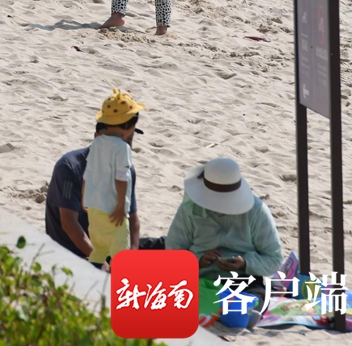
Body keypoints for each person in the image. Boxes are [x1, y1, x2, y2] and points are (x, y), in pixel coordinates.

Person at [166, 157, 283, 285]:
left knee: (252, 298)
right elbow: (173, 254)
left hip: (244, 280)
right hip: (198, 278)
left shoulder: (256, 211)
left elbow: (274, 259)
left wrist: (245, 263)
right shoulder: (189, 208)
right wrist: (198, 260)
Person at [46, 120, 149, 262]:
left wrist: (132, 253)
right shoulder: (70, 167)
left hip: (113, 245)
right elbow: (68, 223)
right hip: (74, 253)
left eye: (128, 141)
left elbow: (133, 218)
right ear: (97, 138)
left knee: (165, 246)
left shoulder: (126, 170)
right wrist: (101, 262)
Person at [82, 89, 145, 268]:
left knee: (99, 249)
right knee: (120, 251)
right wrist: (121, 205)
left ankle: (93, 272)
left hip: (94, 207)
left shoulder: (96, 143)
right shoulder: (122, 148)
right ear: (128, 126)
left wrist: (84, 197)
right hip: (112, 209)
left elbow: (88, 171)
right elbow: (122, 177)